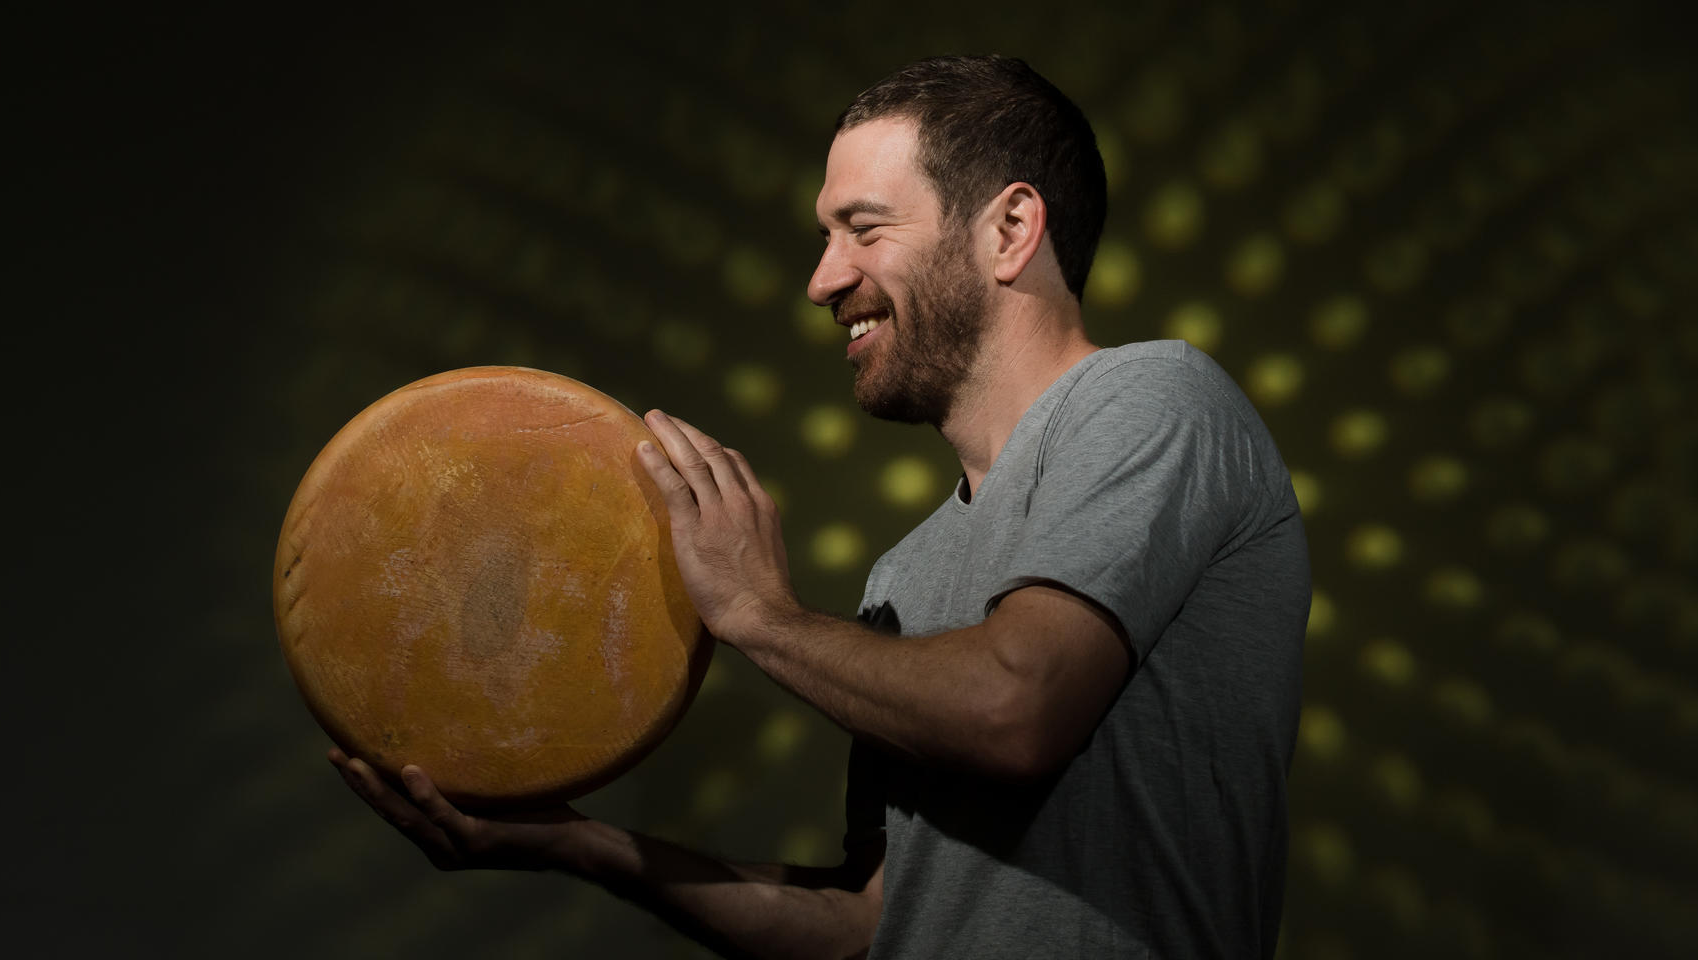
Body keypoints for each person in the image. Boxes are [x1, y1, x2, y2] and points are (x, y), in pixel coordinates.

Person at [331, 55, 1309, 959]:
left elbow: (1019, 708)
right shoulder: (905, 576)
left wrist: (760, 617)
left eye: (864, 228)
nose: (822, 280)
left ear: (1010, 230)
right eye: (823, 236)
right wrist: (574, 844)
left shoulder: (1156, 398)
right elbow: (866, 923)